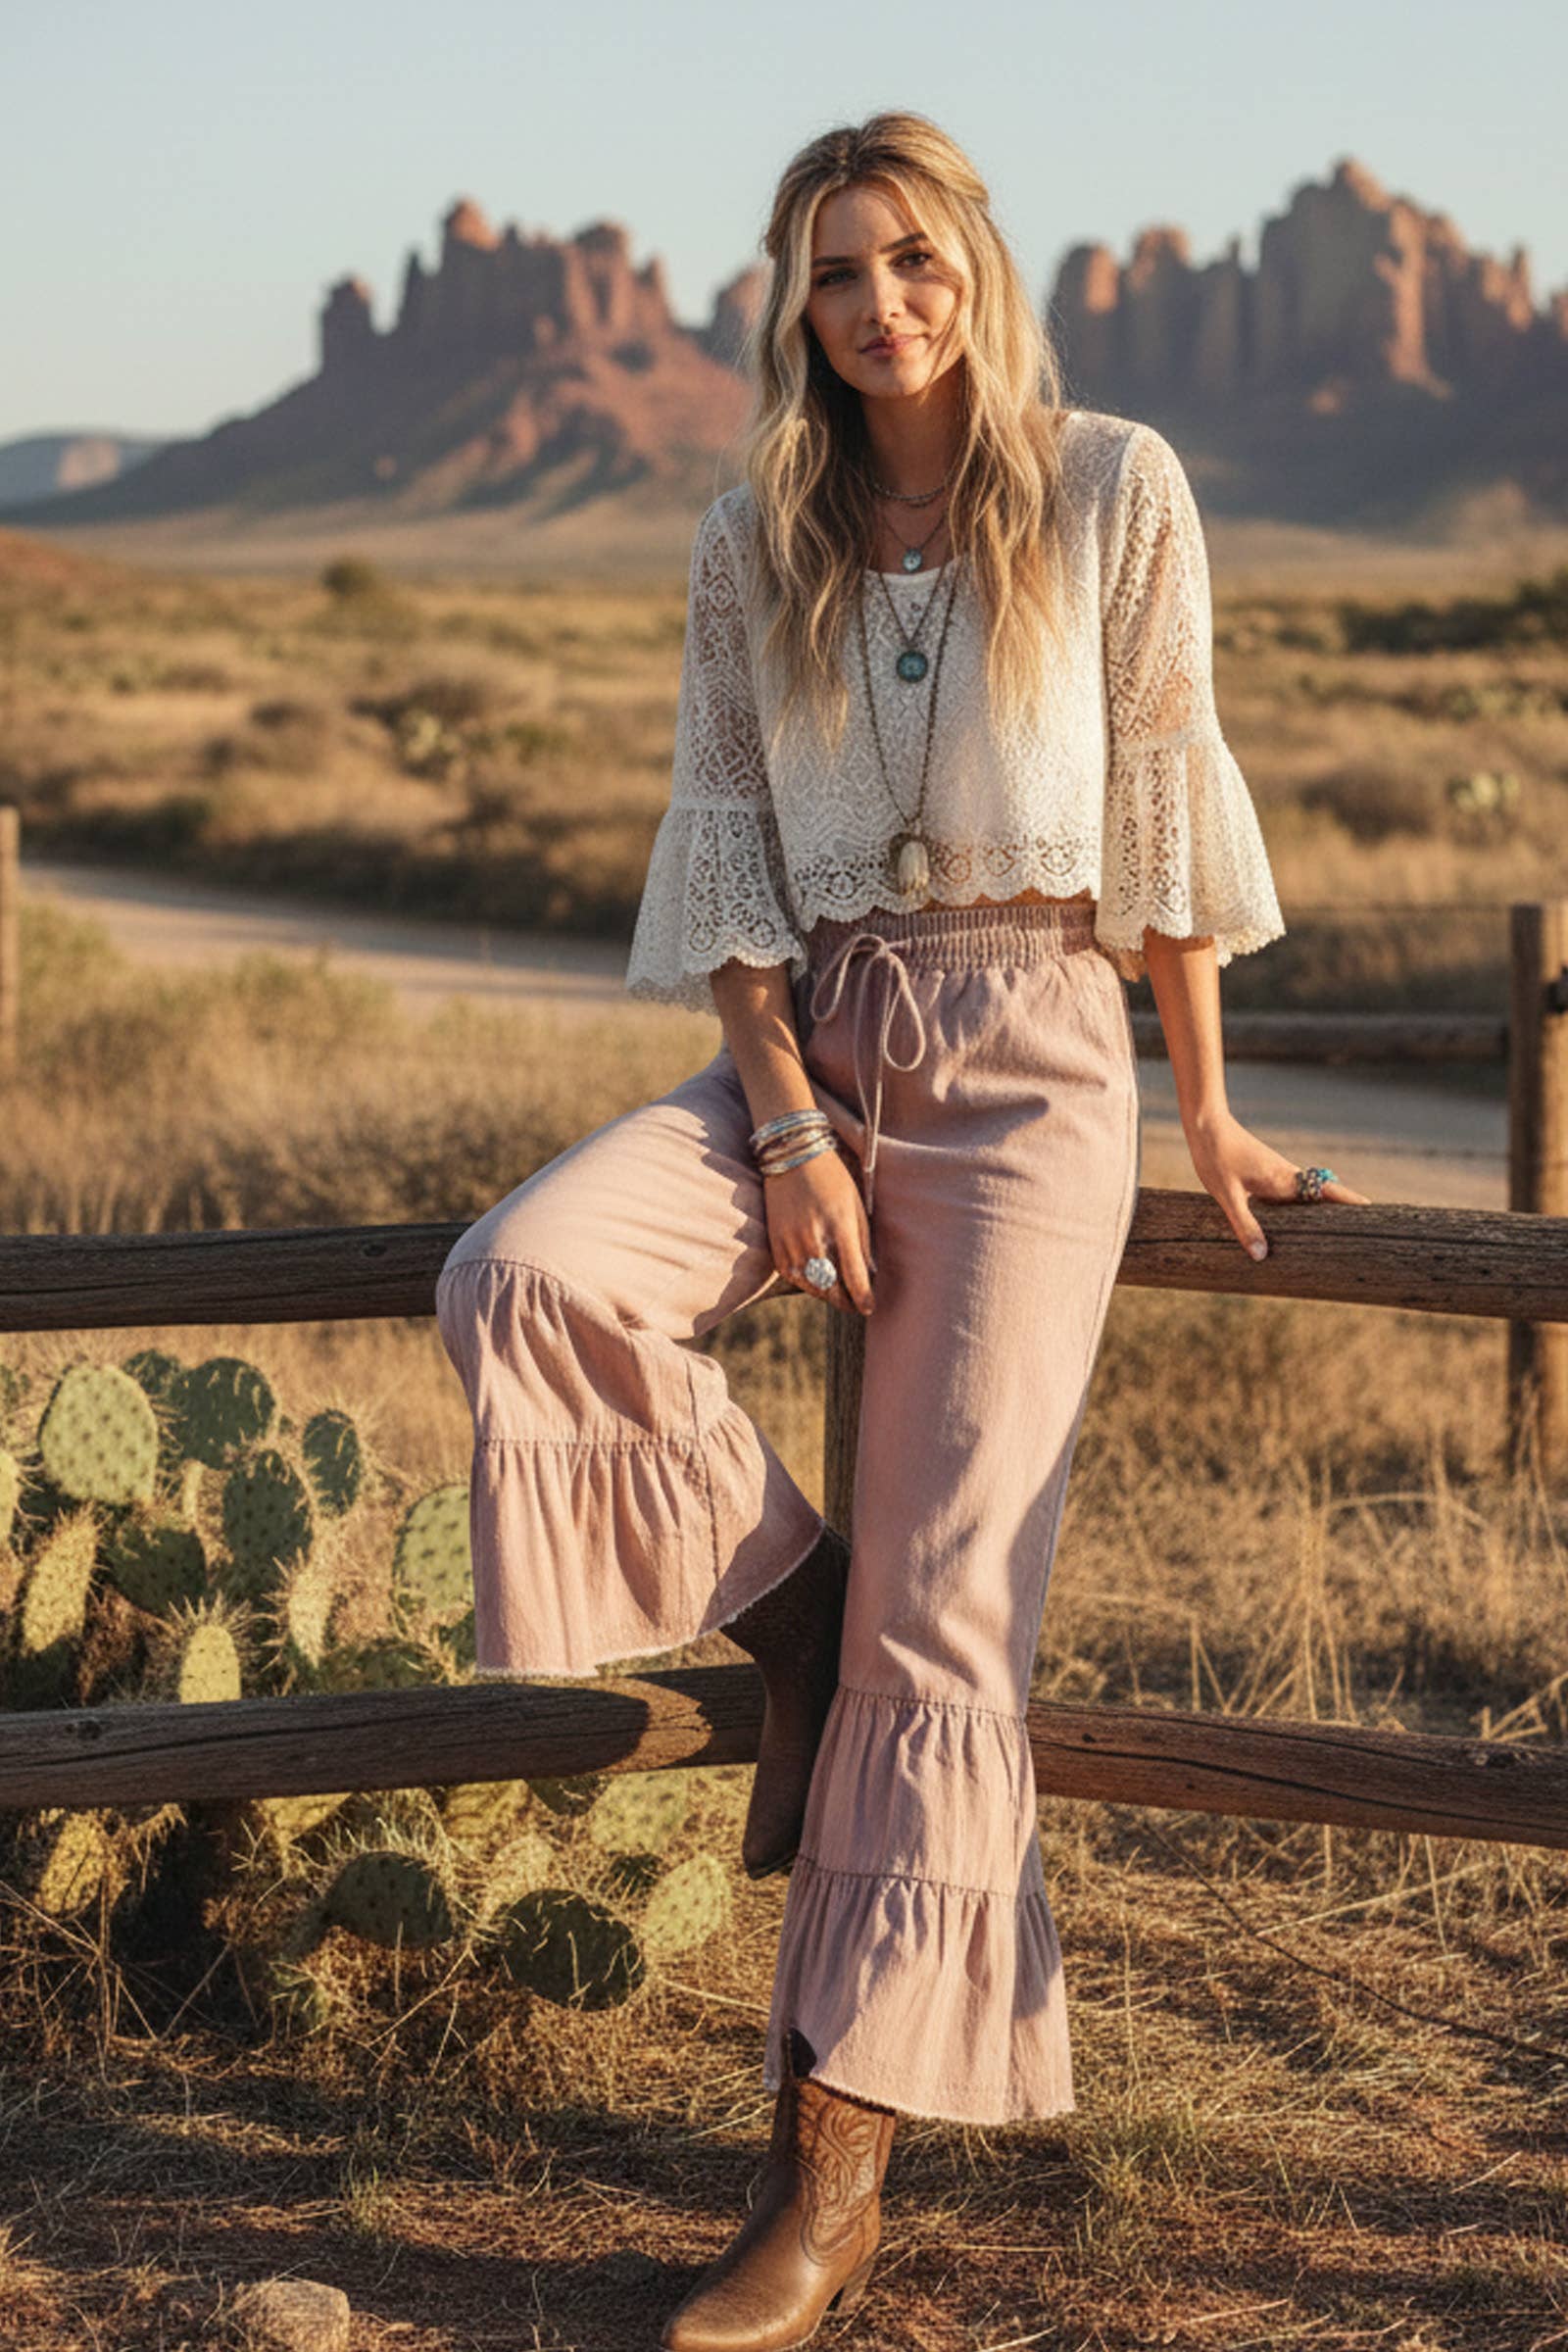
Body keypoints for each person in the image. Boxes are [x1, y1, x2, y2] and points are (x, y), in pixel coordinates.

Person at [435, 108, 1371, 2352]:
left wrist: (1212, 1113)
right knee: (527, 1279)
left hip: (1038, 1053)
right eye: (836, 272)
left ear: (974, 266)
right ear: (793, 305)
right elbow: (732, 863)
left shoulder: (1113, 485)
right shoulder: (748, 537)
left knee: (945, 1648)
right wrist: (781, 1128)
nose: (879, 305)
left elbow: (1160, 799)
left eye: (913, 260)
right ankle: (792, 1613)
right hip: (824, 1049)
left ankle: (822, 2176)